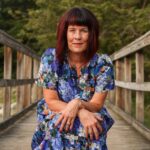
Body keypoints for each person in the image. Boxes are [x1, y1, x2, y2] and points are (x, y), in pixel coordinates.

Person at [31, 7, 115, 150]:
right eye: (72, 30)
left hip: (91, 111)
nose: (77, 36)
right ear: (65, 33)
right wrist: (80, 110)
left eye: (83, 31)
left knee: (93, 127)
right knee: (60, 125)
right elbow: (51, 101)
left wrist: (78, 103)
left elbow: (96, 104)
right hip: (56, 110)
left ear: (92, 34)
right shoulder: (51, 58)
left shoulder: (103, 63)